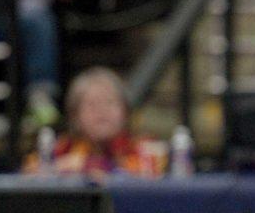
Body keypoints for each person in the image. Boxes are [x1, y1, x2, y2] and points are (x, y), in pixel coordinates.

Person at [22, 66, 164, 176]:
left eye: (110, 102)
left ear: (125, 111)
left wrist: (88, 165)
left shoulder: (142, 147)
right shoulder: (62, 148)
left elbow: (151, 171)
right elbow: (30, 172)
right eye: (92, 104)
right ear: (75, 115)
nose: (102, 111)